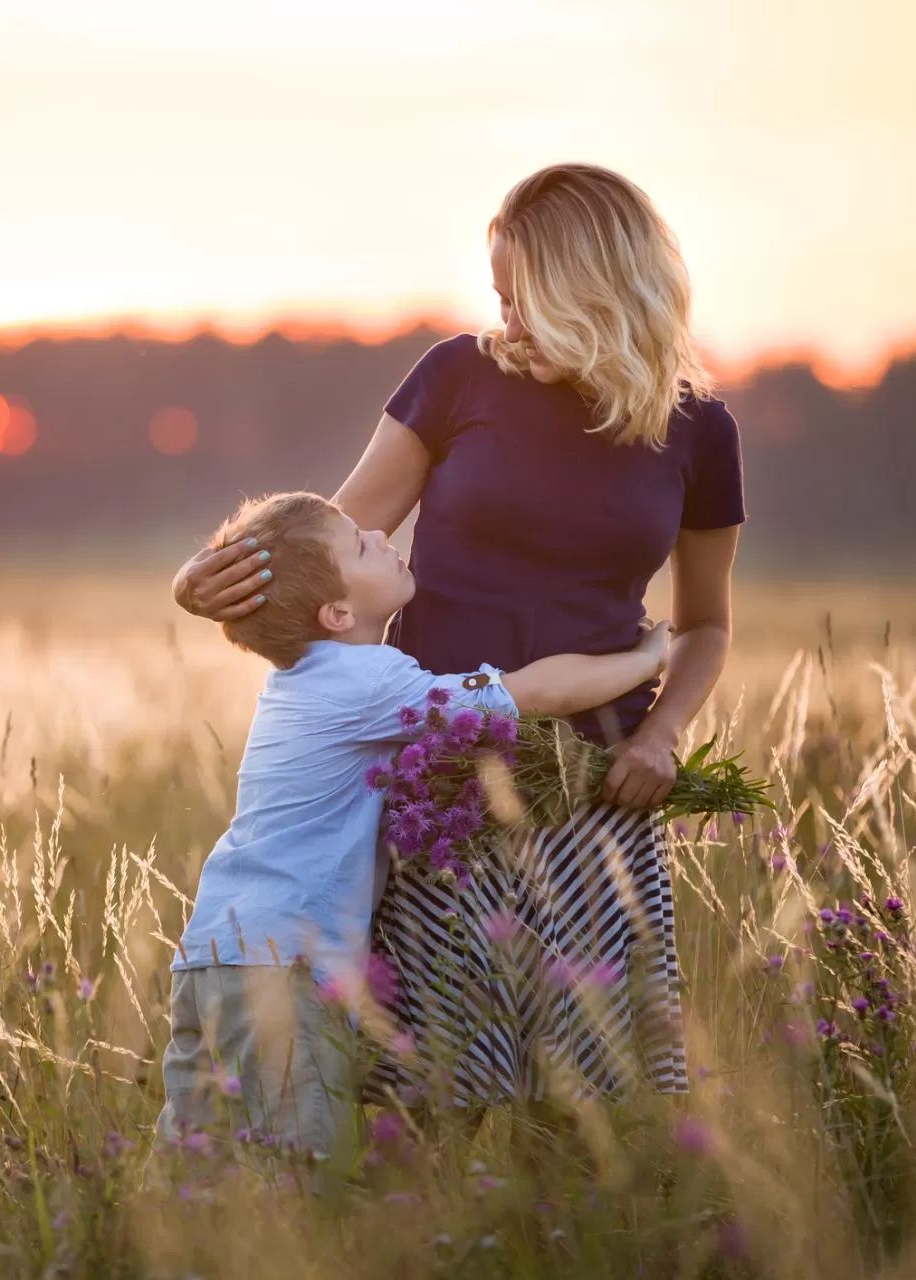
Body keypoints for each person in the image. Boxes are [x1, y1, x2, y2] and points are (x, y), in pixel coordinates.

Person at [172, 163, 744, 1106]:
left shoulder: (698, 432)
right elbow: (330, 544)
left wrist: (662, 731)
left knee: (598, 1098)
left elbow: (707, 625)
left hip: (599, 795)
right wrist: (210, 579)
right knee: (430, 1093)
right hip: (441, 792)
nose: (506, 321)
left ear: (594, 291)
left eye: (525, 299)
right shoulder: (457, 378)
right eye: (499, 296)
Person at [156, 490, 671, 1161]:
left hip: (216, 952)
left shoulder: (303, 680)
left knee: (197, 1158)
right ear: (337, 612)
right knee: (301, 1167)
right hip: (286, 962)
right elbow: (535, 691)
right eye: (360, 545)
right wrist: (649, 658)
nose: (378, 531)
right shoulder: (368, 681)